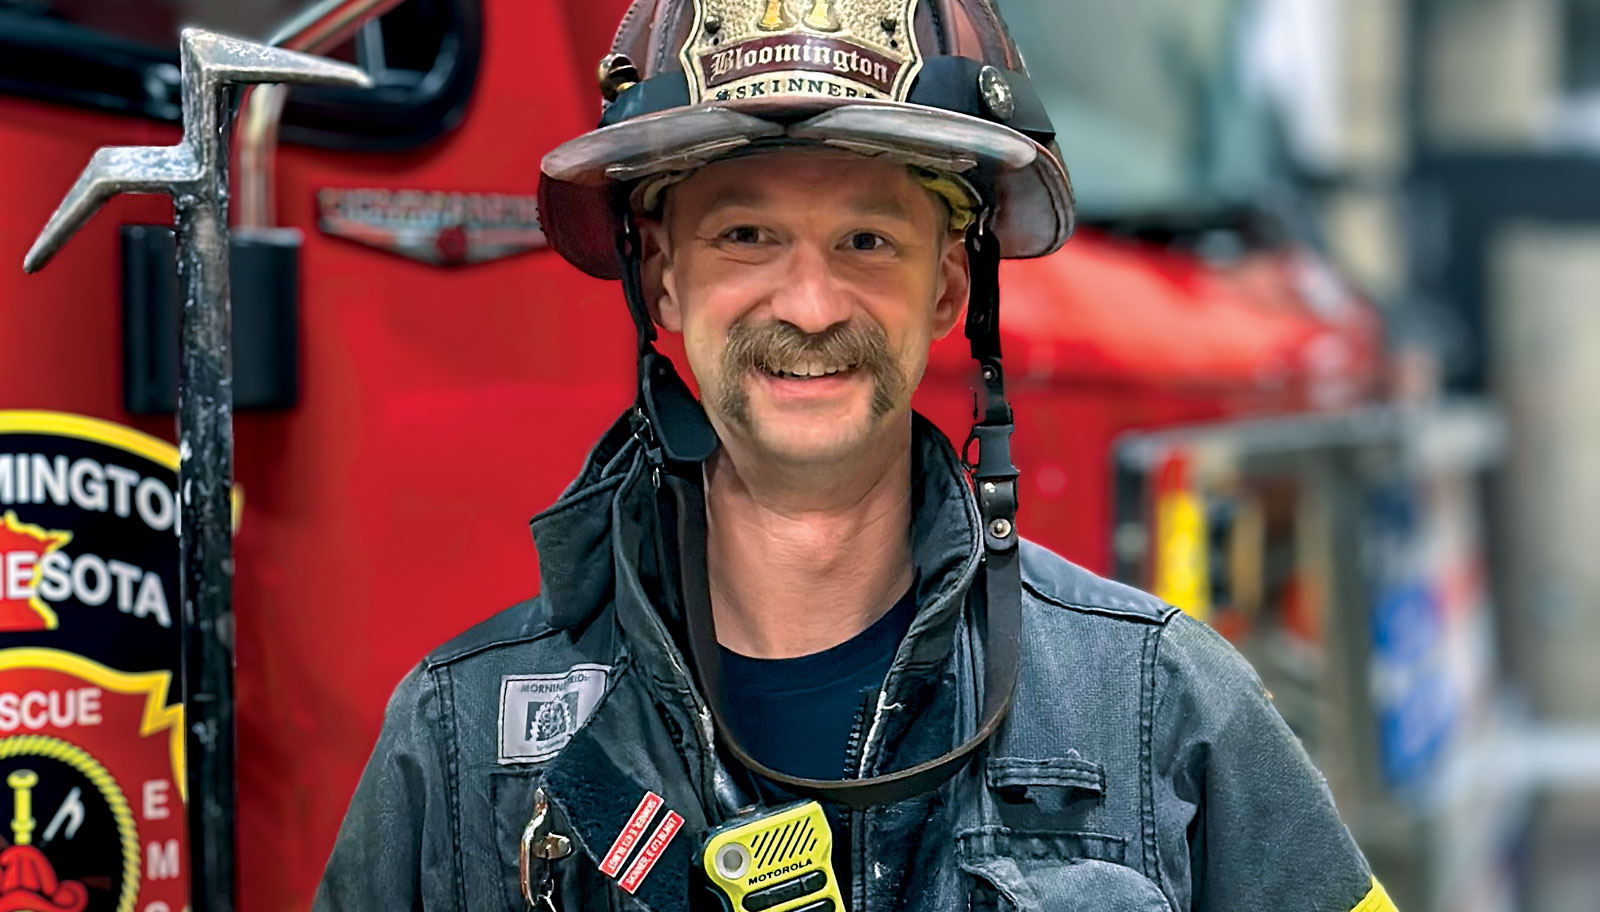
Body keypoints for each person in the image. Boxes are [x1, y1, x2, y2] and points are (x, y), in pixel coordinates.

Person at [315, 1, 1396, 910]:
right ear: (664, 281)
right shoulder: (459, 741)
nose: (811, 304)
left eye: (866, 241)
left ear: (947, 290)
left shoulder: (1164, 705)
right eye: (746, 236)